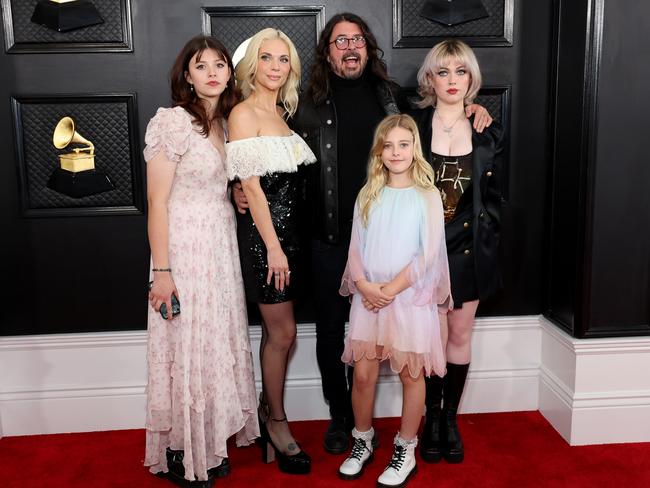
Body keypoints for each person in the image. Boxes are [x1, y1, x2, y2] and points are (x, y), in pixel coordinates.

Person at [234, 12, 491, 454]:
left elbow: (428, 129)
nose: (349, 47)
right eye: (339, 41)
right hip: (328, 235)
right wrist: (236, 186)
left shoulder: (391, 96)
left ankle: (395, 424)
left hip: (387, 237)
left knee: (387, 333)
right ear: (327, 51)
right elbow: (259, 145)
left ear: (368, 47)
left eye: (357, 39)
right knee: (334, 332)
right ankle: (342, 418)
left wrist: (471, 106)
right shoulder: (302, 100)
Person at [143, 35, 258, 487]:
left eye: (220, 64)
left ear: (229, 72)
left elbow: (216, 179)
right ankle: (180, 450)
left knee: (214, 343)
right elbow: (157, 202)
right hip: (183, 247)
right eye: (201, 65)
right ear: (186, 75)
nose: (212, 71)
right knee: (185, 344)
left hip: (220, 245)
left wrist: (232, 191)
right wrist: (163, 272)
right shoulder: (172, 123)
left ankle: (207, 441)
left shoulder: (229, 123)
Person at [337, 114, 451, 488]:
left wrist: (390, 290)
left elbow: (428, 254)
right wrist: (365, 285)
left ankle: (406, 448)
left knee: (410, 374)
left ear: (414, 148)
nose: (396, 152)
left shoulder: (427, 195)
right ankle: (363, 439)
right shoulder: (369, 192)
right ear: (379, 151)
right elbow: (356, 246)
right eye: (389, 145)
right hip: (369, 298)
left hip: (408, 299)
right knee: (364, 374)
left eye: (404, 144)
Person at [225, 28, 316, 475]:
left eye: (284, 60)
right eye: (267, 58)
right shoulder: (242, 113)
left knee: (277, 331)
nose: (276, 67)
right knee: (284, 334)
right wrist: (274, 249)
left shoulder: (283, 112)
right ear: (252, 66)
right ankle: (275, 422)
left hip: (291, 238)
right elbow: (253, 190)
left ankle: (269, 410)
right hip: (268, 242)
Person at [410, 39, 506, 464]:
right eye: (443, 72)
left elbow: (496, 194)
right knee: (432, 338)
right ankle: (431, 417)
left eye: (461, 72)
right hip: (425, 250)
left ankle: (450, 419)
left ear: (472, 78)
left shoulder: (489, 128)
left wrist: (491, 239)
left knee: (460, 336)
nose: (452, 81)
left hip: (471, 248)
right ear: (430, 78)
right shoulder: (411, 123)